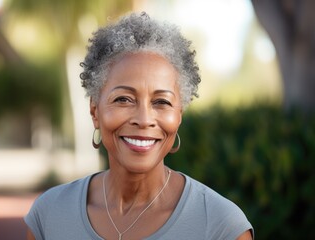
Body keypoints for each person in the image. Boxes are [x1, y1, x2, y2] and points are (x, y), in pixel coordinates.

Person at [24, 12, 254, 240]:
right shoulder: (49, 215)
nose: (144, 120)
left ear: (179, 115)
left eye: (161, 102)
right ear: (95, 110)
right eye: (123, 99)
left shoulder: (221, 226)